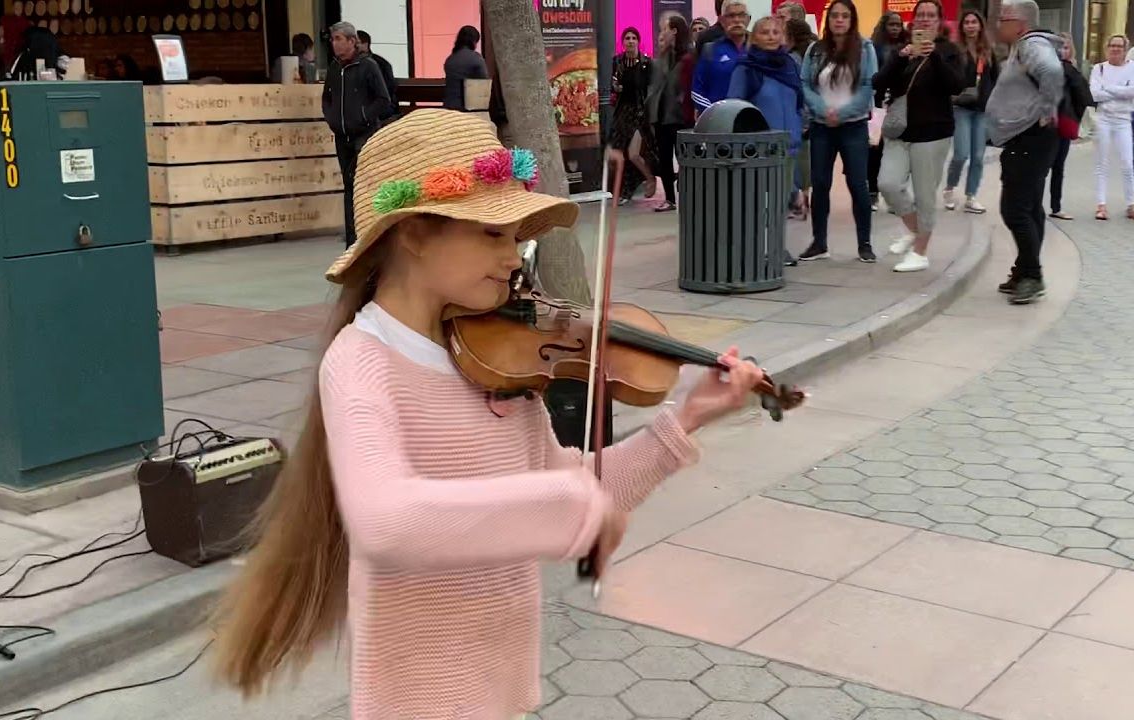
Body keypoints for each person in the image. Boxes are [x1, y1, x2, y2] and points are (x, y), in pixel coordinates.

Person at [209, 108, 765, 719]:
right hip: (422, 696)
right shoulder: (362, 361)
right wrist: (568, 509)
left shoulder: (501, 363)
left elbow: (578, 481)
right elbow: (386, 522)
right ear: (415, 232)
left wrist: (684, 420)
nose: (515, 258)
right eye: (492, 234)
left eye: (516, 236)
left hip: (504, 672)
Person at [873, 0, 965, 273]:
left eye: (930, 16)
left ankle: (920, 252)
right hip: (900, 131)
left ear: (939, 21)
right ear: (913, 21)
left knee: (925, 195)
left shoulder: (948, 51)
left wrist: (933, 55)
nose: (925, 20)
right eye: (920, 15)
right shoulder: (902, 50)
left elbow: (955, 85)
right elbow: (878, 82)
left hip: (933, 133)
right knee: (888, 183)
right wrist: (901, 58)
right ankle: (915, 230)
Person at [985, 0, 1063, 304]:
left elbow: (1051, 71)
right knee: (1030, 207)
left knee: (1015, 209)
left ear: (1020, 24)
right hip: (1030, 139)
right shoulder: (1025, 46)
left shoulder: (1032, 45)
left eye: (1004, 19)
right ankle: (1024, 270)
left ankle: (1032, 275)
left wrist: (1046, 110)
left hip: (1030, 139)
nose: (999, 24)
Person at [797, 0, 878, 263]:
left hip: (853, 126)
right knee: (820, 184)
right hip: (822, 126)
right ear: (828, 20)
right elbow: (805, 84)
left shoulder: (865, 48)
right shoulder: (815, 50)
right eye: (835, 16)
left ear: (852, 19)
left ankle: (864, 244)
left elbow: (868, 87)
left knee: (858, 184)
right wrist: (823, 110)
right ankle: (819, 243)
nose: (839, 20)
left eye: (844, 16)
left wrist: (841, 114)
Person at [322, 21, 391, 249]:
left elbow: (383, 99)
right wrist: (332, 119)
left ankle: (370, 236)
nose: (335, 43)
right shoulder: (334, 68)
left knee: (364, 185)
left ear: (352, 42)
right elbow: (327, 98)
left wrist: (363, 117)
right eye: (333, 39)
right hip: (342, 136)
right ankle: (352, 242)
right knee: (348, 187)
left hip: (364, 135)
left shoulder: (368, 66)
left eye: (339, 39)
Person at [729, 16, 803, 213]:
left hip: (789, 147)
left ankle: (776, 245)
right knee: (761, 206)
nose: (771, 37)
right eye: (764, 32)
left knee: (783, 203)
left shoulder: (791, 65)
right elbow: (733, 108)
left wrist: (799, 125)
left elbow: (799, 102)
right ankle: (761, 244)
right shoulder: (746, 67)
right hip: (759, 150)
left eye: (775, 32)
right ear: (754, 38)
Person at [943, 11, 998, 215]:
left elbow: (995, 79)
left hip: (982, 110)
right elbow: (947, 76)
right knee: (961, 153)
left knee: (978, 156)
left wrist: (992, 102)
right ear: (962, 27)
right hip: (961, 108)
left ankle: (971, 196)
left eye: (974, 22)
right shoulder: (956, 51)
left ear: (980, 26)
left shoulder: (988, 51)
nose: (970, 26)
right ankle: (949, 188)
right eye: (966, 22)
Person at [647, 15, 697, 212]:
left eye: (664, 29)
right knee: (664, 158)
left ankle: (688, 195)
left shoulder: (690, 57)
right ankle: (669, 199)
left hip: (681, 117)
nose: (662, 34)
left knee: (685, 158)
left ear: (674, 30)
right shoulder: (662, 58)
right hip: (661, 116)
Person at [610, 27, 659, 201]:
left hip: (640, 113)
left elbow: (651, 90)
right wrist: (616, 88)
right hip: (623, 112)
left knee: (634, 153)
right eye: (627, 38)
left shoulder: (646, 63)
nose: (630, 41)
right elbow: (613, 87)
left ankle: (650, 177)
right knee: (620, 153)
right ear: (623, 42)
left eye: (633, 38)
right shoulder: (618, 61)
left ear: (638, 41)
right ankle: (626, 191)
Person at [1089, 35, 1134, 221]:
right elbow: (1095, 94)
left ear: (1125, 49)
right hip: (1104, 120)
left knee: (1128, 163)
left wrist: (1108, 88)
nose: (1115, 49)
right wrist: (1120, 90)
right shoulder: (1098, 68)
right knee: (1102, 163)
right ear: (1107, 48)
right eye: (1112, 46)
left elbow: (1132, 92)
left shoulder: (1132, 68)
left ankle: (1131, 204)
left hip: (1123, 120)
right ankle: (1101, 204)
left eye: (1119, 46)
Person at [1048, 32, 1092, 221]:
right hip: (1047, 123)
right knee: (1042, 167)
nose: (1062, 51)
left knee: (1058, 166)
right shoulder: (1048, 69)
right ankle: (1033, 205)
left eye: (1065, 47)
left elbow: (1083, 97)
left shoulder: (1072, 70)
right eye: (1059, 47)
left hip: (1064, 123)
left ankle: (1056, 207)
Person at [868, 12, 907, 211]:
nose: (895, 28)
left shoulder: (906, 46)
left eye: (898, 25)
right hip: (877, 104)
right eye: (891, 24)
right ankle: (873, 193)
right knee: (875, 148)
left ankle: (894, 195)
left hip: (898, 103)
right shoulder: (875, 47)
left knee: (897, 149)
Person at [692, 0, 752, 113]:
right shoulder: (710, 50)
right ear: (722, 20)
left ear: (748, 19)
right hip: (718, 123)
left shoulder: (758, 50)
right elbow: (697, 90)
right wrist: (713, 112)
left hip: (752, 122)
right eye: (731, 16)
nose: (737, 20)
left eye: (741, 15)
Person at [785, 17, 818, 220]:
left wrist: (804, 119)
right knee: (805, 160)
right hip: (811, 114)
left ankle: (799, 202)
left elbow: (801, 90)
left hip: (800, 116)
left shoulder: (794, 59)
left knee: (797, 161)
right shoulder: (812, 53)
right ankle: (804, 199)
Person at [443, 25, 489, 111]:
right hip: (468, 110)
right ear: (473, 41)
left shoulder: (450, 59)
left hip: (448, 108)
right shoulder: (476, 58)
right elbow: (484, 83)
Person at [358, 30, 398, 120]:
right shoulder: (350, 64)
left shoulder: (381, 64)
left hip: (381, 106)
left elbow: (388, 89)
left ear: (365, 44)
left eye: (357, 43)